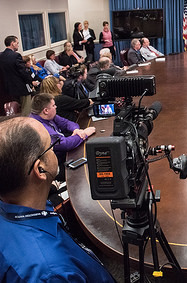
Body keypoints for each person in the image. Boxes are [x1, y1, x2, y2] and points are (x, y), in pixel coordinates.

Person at [0, 117, 114, 282]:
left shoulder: (22, 207)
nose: (55, 151)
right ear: (40, 169)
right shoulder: (51, 274)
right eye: (51, 147)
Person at [29, 93, 95, 180]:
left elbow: (67, 123)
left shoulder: (48, 116)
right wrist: (85, 134)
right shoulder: (39, 127)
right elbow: (65, 144)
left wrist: (76, 130)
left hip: (62, 155)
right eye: (53, 105)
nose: (56, 107)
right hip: (55, 166)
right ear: (46, 111)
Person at [0, 35, 38, 116]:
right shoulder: (16, 56)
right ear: (12, 43)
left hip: (7, 89)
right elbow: (23, 72)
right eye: (17, 43)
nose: (18, 45)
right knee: (26, 110)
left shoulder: (1, 56)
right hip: (20, 88)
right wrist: (31, 82)